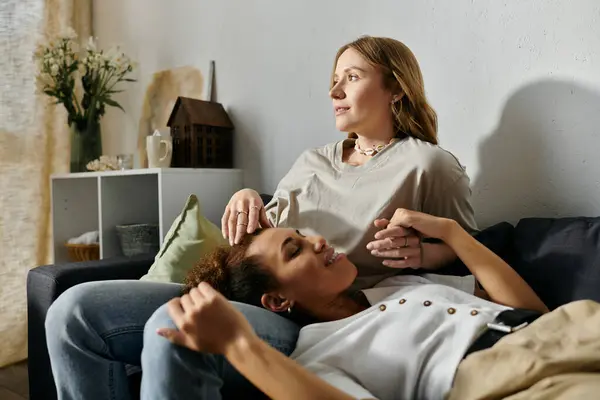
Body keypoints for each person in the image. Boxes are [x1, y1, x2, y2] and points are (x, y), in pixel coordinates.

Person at [46, 36, 477, 400]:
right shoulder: (312, 161)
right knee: (71, 310)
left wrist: (423, 252)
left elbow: (470, 255)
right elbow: (265, 239)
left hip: (316, 321)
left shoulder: (429, 166)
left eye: (352, 77)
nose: (334, 92)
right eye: (334, 81)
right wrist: (248, 196)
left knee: (174, 322)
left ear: (395, 88)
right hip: (255, 290)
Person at [158, 209, 600, 400]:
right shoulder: (318, 356)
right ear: (276, 300)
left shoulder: (398, 283)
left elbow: (536, 313)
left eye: (304, 233)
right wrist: (239, 344)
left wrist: (451, 232)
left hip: (575, 328)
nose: (317, 242)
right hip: (507, 383)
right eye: (294, 250)